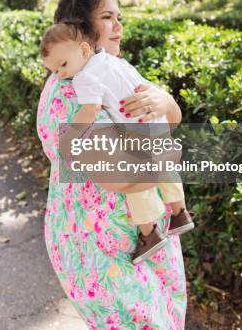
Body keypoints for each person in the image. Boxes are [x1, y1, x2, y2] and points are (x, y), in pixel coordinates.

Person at [37, 0, 187, 330]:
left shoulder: (111, 71)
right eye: (107, 18)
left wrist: (165, 101)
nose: (119, 26)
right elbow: (122, 176)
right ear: (81, 32)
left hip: (142, 236)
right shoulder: (70, 94)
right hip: (100, 251)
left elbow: (170, 119)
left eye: (119, 16)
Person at [39, 20, 194, 265]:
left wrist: (71, 136)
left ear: (83, 50)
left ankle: (149, 234)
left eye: (63, 65)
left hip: (137, 133)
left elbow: (90, 110)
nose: (60, 75)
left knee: (138, 187)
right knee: (165, 168)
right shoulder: (113, 60)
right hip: (156, 121)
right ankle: (180, 212)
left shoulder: (84, 77)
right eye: (55, 71)